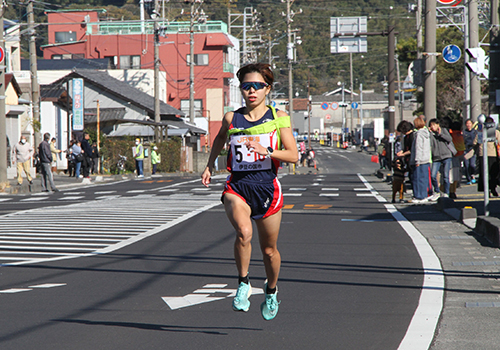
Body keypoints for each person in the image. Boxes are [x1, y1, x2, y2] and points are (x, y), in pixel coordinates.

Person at [201, 63, 298, 320]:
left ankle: (271, 289)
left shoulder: (279, 117)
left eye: (257, 86)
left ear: (267, 88)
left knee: (269, 250)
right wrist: (210, 165)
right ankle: (243, 283)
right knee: (244, 232)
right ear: (240, 89)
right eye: (246, 86)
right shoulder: (232, 118)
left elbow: (293, 155)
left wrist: (267, 151)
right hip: (238, 185)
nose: (251, 91)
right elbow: (221, 138)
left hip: (267, 187)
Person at [428, 118, 454, 200]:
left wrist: (440, 134)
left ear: (438, 125)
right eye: (431, 125)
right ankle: (437, 191)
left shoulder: (444, 130)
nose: (433, 127)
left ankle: (446, 193)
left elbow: (449, 139)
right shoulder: (431, 134)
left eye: (434, 125)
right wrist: (430, 134)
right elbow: (430, 143)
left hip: (446, 155)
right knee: (433, 175)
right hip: (436, 157)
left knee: (445, 176)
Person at [474, 116, 500, 197]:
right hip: (493, 154)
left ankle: (487, 190)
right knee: (493, 173)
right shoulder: (496, 132)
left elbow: (475, 143)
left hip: (482, 154)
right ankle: (493, 188)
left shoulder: (480, 131)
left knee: (484, 173)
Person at [410, 117, 431, 203]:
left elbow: (418, 148)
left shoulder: (418, 134)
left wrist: (417, 160)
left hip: (420, 159)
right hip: (426, 158)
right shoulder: (426, 133)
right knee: (424, 178)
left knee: (417, 178)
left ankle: (419, 196)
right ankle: (424, 195)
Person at [449, 121, 465, 199]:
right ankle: (454, 191)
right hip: (460, 154)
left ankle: (450, 191)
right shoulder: (461, 135)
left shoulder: (451, 135)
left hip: (453, 155)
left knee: (450, 175)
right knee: (456, 174)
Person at [463, 119, 478, 185]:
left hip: (473, 150)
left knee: (472, 165)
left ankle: (472, 175)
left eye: (469, 123)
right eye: (467, 123)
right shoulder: (463, 132)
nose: (468, 125)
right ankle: (468, 179)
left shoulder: (475, 132)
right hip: (465, 149)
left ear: (472, 124)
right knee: (466, 165)